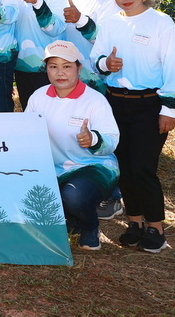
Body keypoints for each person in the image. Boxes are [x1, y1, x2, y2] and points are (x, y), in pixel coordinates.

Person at [92, 0, 175, 253]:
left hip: (149, 105)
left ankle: (156, 228)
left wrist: (169, 108)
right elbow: (96, 58)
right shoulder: (109, 22)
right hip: (116, 103)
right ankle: (135, 223)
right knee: (124, 168)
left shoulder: (161, 23)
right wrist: (107, 64)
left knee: (143, 168)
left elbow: (171, 67)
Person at [25, 40, 120, 252]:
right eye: (53, 66)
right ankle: (72, 220)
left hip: (93, 167)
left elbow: (112, 140)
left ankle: (90, 227)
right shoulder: (38, 97)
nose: (60, 73)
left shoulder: (95, 100)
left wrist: (93, 139)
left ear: (79, 68)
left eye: (67, 66)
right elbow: (27, 134)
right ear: (46, 69)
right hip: (52, 168)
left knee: (74, 197)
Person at [61, 0, 124, 220]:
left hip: (98, 82)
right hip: (71, 82)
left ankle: (114, 196)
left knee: (101, 135)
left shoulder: (111, 1)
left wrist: (81, 20)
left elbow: (107, 40)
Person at [13, 0, 68, 109]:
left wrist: (38, 3)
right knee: (29, 119)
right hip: (20, 67)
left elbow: (57, 28)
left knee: (50, 118)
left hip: (47, 69)